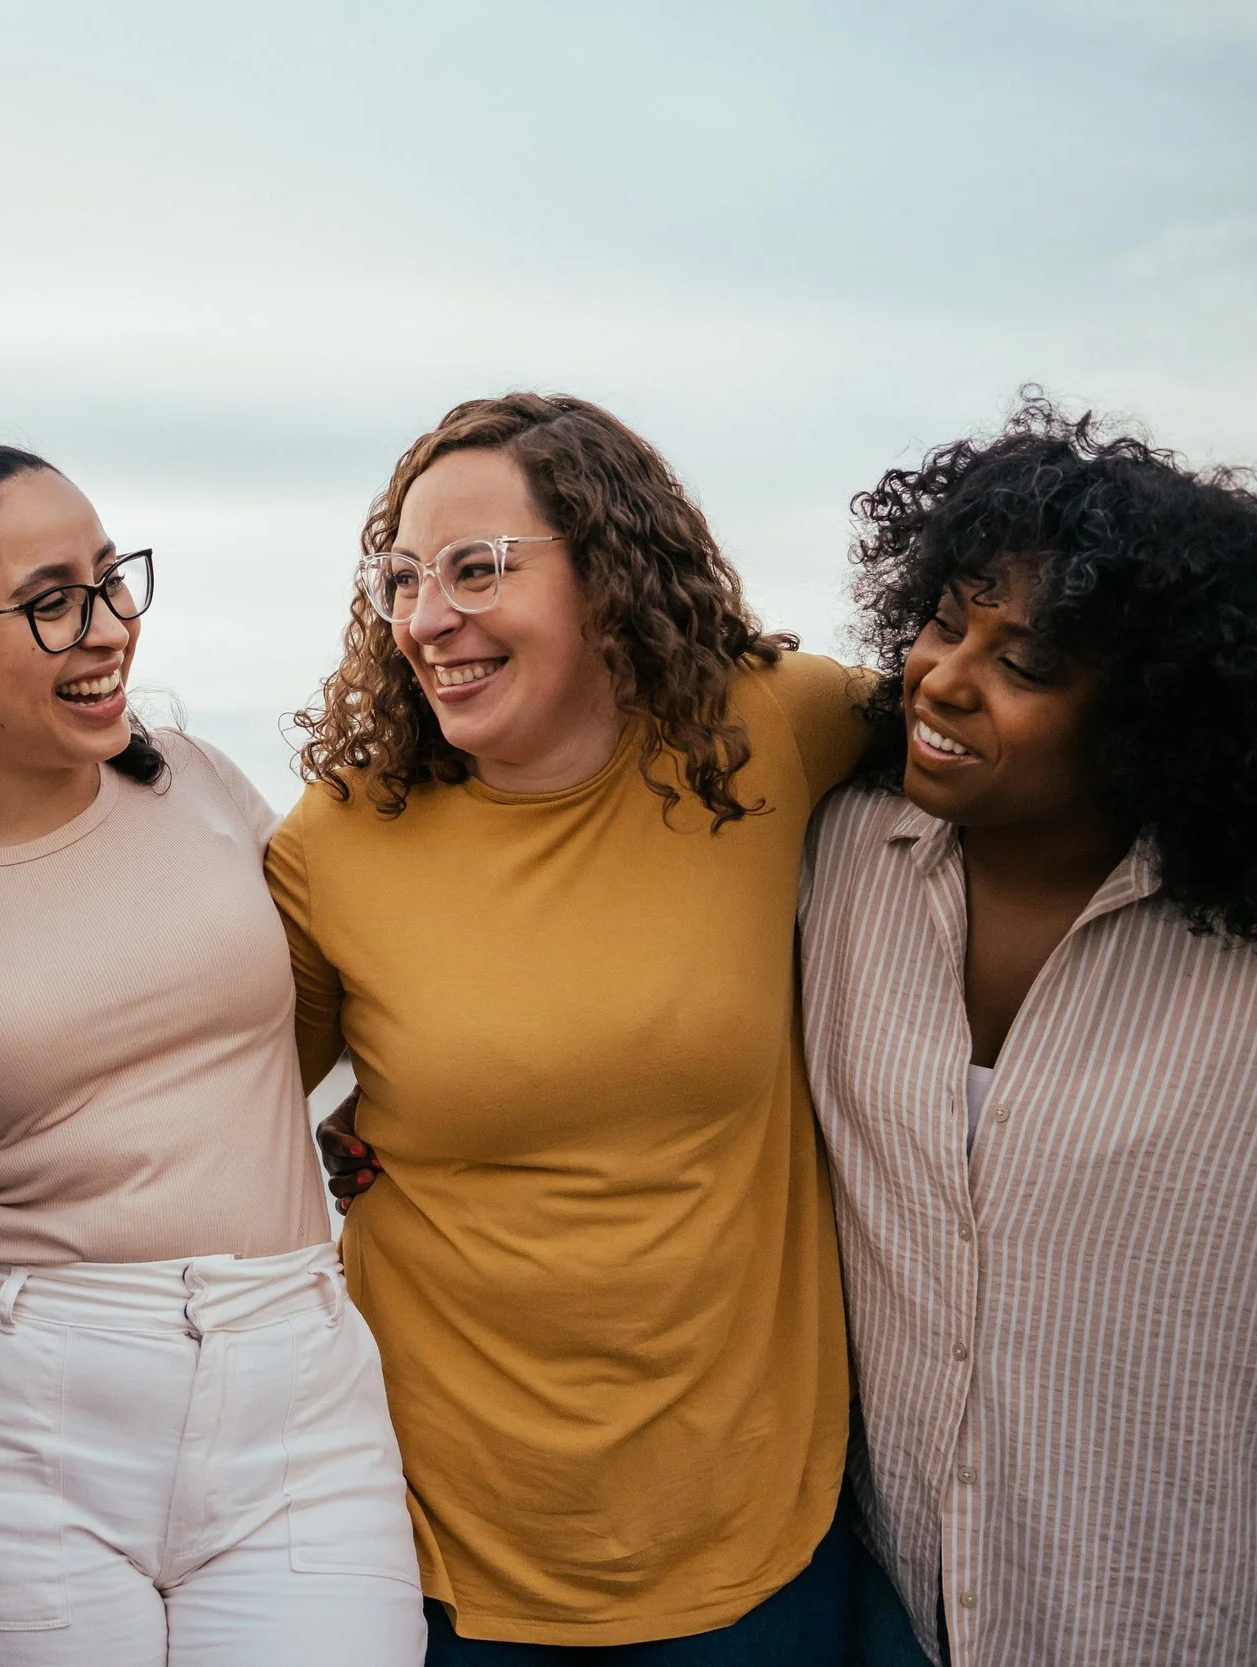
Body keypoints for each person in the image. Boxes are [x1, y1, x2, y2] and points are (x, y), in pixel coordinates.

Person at [0, 443, 425, 1666]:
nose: (106, 628)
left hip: (296, 1383)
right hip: (16, 1428)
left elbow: (351, 989)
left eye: (110, 578)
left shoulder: (199, 784)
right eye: (50, 603)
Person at [276, 394, 863, 1660]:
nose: (429, 618)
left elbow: (1020, 749)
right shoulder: (335, 843)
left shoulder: (776, 728)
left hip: (757, 1530)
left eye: (477, 568)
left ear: (609, 575)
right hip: (442, 1549)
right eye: (401, 580)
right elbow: (215, 1097)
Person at [802, 401, 1257, 1667]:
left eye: (1029, 664)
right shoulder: (834, 863)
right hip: (873, 1607)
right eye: (945, 618)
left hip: (1170, 1618)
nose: (944, 676)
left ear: (1166, 716)